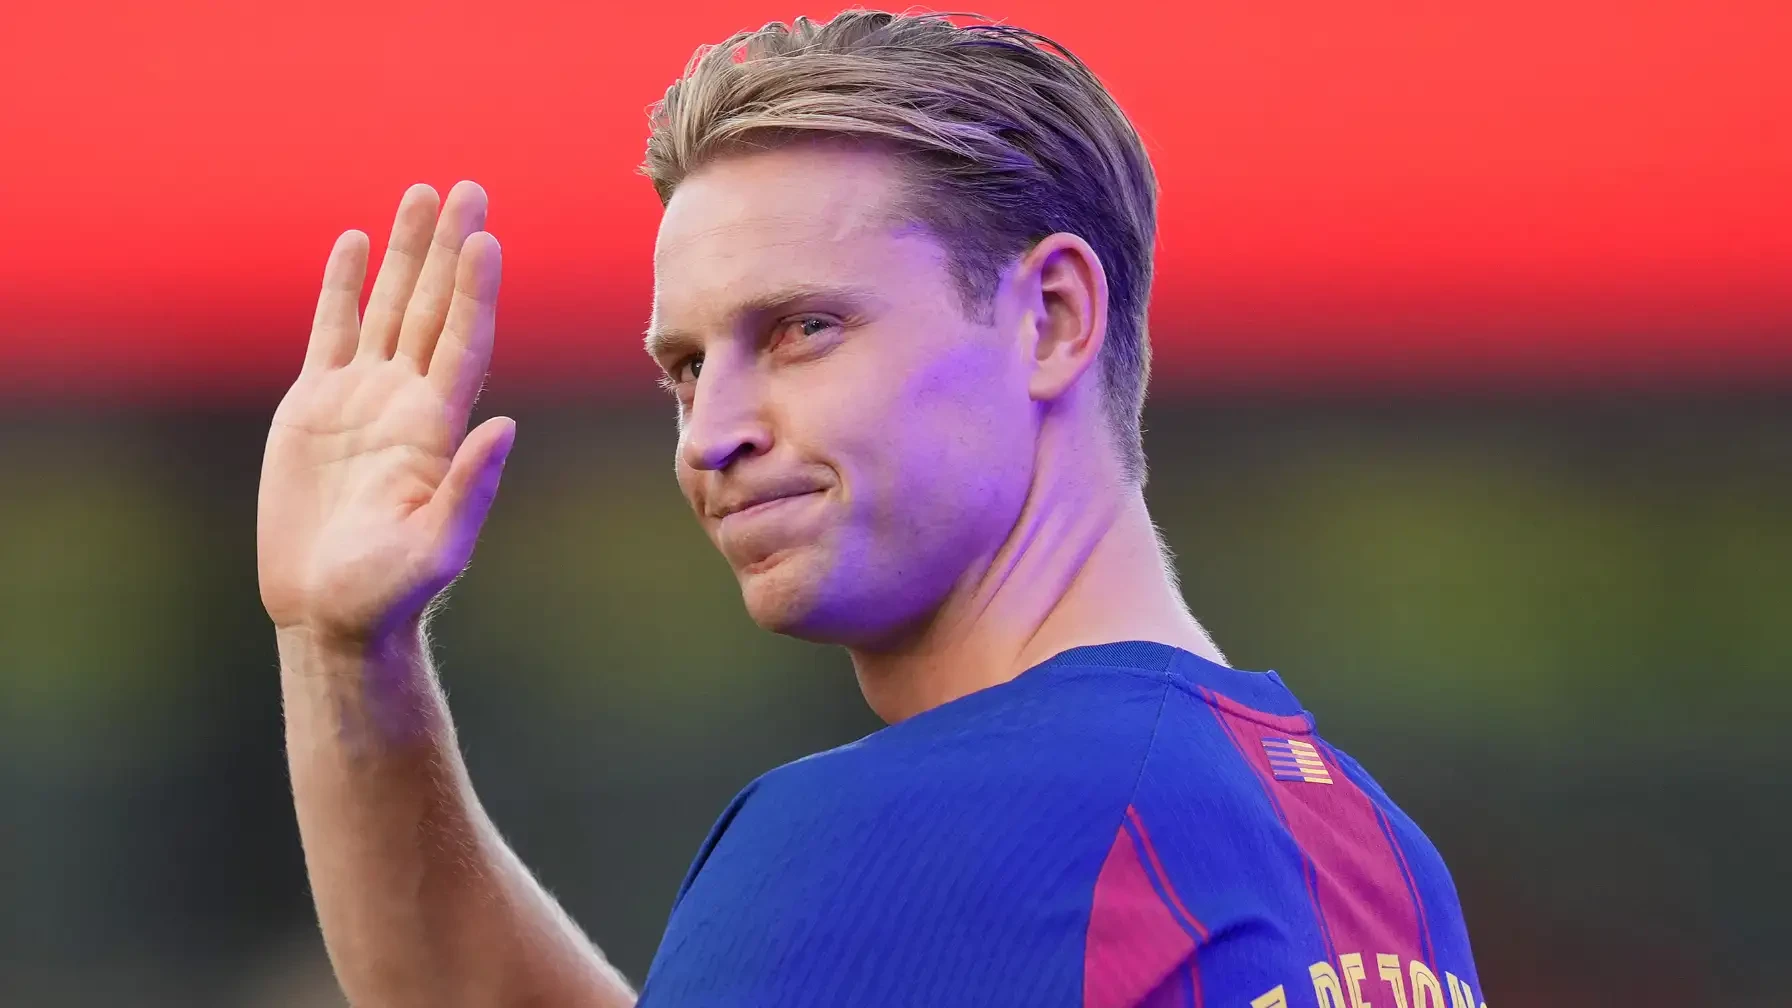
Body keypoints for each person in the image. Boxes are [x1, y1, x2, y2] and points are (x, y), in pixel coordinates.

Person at [257, 10, 1485, 1008]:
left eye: (802, 329)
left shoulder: (898, 833)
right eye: (684, 368)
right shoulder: (1369, 852)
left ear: (1051, 317)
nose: (710, 433)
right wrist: (343, 651)